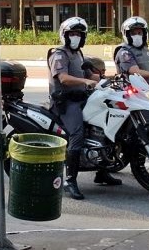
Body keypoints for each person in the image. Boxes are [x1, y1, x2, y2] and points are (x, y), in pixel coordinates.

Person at [48, 16, 117, 200]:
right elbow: (63, 78)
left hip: (82, 99)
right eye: (72, 33)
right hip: (66, 103)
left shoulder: (79, 54)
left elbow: (90, 76)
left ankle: (101, 172)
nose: (75, 37)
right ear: (65, 35)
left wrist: (109, 79)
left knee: (103, 128)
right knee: (77, 135)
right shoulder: (59, 54)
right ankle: (70, 180)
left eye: (78, 34)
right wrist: (86, 81)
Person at [113, 16, 149, 89]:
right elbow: (135, 72)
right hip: (132, 91)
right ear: (127, 35)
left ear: (144, 34)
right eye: (133, 33)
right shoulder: (124, 52)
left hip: (147, 89)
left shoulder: (145, 50)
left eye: (139, 32)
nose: (137, 35)